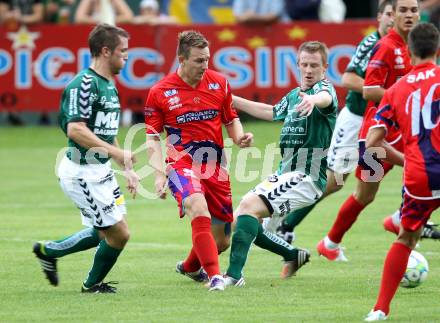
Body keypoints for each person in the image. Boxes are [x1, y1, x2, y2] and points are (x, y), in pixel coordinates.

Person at [274, 0, 394, 244]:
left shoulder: (403, 44)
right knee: (334, 181)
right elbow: (349, 79)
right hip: (357, 120)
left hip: (385, 121)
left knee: (375, 182)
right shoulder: (372, 44)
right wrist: (391, 94)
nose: (395, 19)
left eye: (400, 13)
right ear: (379, 17)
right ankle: (284, 222)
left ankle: (412, 215)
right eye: (390, 14)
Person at [32, 24, 139, 293]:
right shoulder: (84, 84)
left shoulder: (109, 86)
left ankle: (49, 251)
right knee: (119, 233)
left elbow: (105, 132)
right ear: (105, 51)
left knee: (103, 231)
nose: (126, 57)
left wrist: (125, 168)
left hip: (101, 171)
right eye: (123, 51)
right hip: (81, 172)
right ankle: (91, 285)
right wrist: (116, 153)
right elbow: (76, 129)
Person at [316, 0, 425, 262]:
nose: (409, 15)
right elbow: (369, 89)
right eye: (403, 10)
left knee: (421, 174)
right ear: (393, 15)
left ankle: (334, 241)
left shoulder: (418, 46)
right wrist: (405, 97)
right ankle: (330, 242)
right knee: (365, 194)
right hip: (377, 136)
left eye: (413, 10)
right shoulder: (386, 46)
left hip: (406, 132)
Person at [144, 30, 253, 291]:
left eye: (207, 59)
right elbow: (152, 137)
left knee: (222, 241)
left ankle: (191, 266)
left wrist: (239, 138)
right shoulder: (160, 92)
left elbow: (230, 118)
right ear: (181, 59)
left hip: (216, 166)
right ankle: (215, 277)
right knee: (197, 207)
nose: (205, 65)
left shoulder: (220, 83)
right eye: (198, 60)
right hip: (180, 164)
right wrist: (159, 174)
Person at [224, 41, 338, 286]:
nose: (309, 70)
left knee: (248, 207)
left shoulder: (324, 89)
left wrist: (314, 101)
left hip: (307, 176)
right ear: (297, 65)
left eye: (314, 65)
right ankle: (293, 255)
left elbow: (325, 98)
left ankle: (233, 276)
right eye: (304, 64)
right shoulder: (295, 95)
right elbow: (271, 111)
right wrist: (231, 100)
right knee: (242, 221)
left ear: (325, 67)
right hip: (286, 173)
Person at [364, 22, 440, 321]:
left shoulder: (395, 90)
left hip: (420, 175)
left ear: (409, 52)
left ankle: (380, 309)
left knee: (406, 239)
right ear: (437, 49)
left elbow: (373, 143)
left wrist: (405, 160)